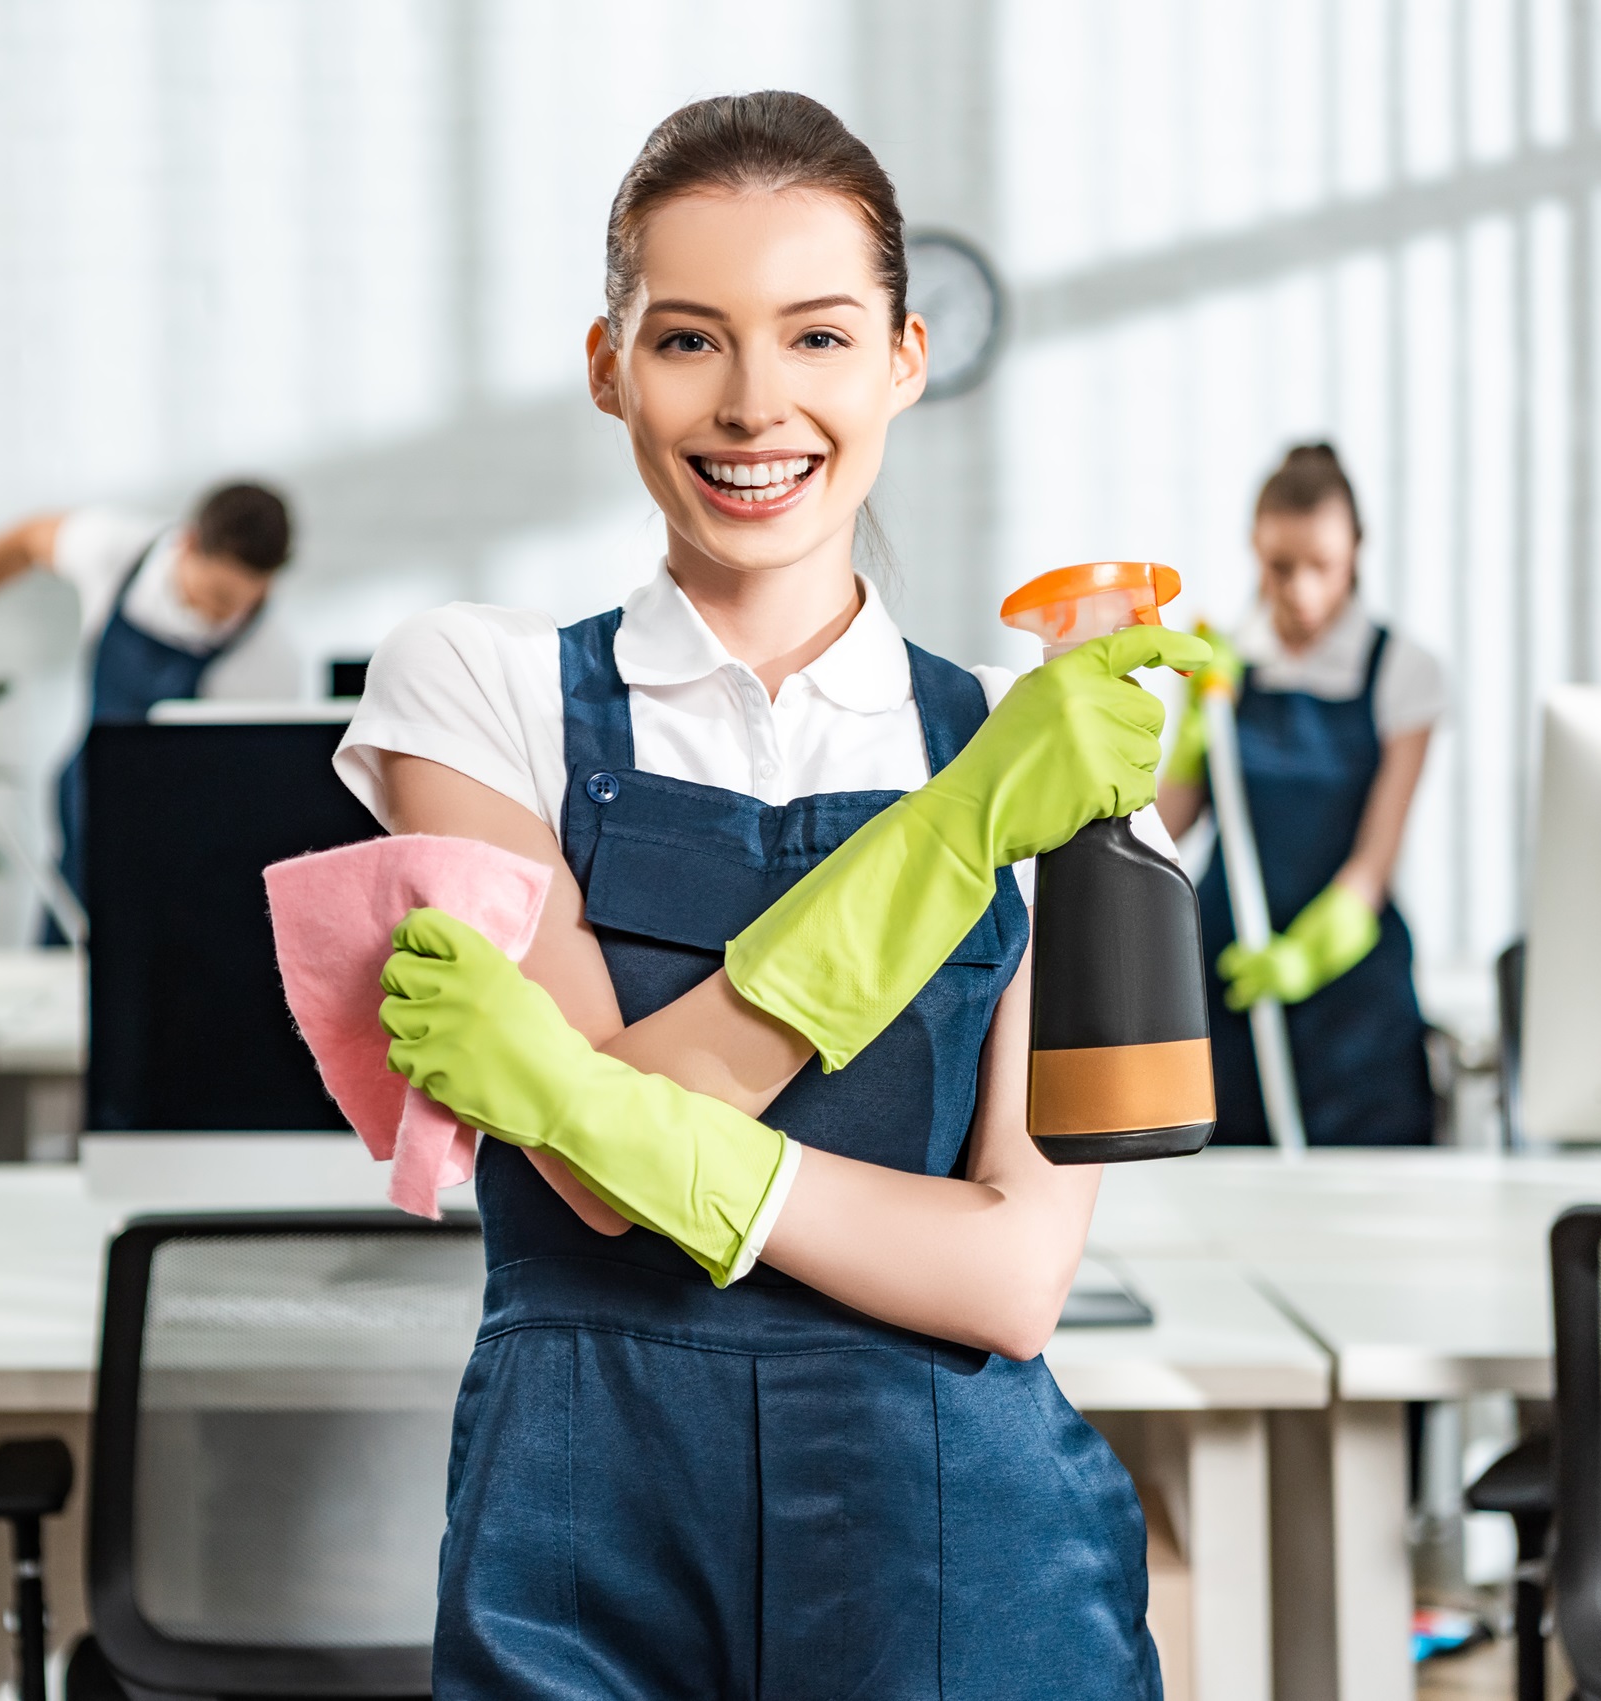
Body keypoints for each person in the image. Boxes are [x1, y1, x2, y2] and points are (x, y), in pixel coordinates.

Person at [335, 93, 1206, 1695]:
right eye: (687, 341)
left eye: (815, 339)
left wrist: (597, 1102)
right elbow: (592, 1196)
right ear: (608, 367)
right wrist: (943, 844)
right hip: (580, 1541)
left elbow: (1009, 1277)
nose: (753, 407)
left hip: (955, 1545)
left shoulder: (1033, 748)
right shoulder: (478, 689)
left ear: (901, 359)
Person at [1157, 446, 1445, 1146]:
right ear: (1255, 550)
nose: (1303, 592)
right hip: (1225, 973)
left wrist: (1307, 955)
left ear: (1357, 552)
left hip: (1349, 990)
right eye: (1281, 567)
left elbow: (1376, 859)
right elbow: (1166, 828)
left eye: (1324, 566)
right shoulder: (1223, 663)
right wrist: (1193, 728)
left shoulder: (1400, 669)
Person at [0, 482, 295, 927]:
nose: (228, 614)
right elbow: (27, 542)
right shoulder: (115, 550)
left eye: (247, 600)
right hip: (86, 805)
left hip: (182, 846)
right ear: (189, 543)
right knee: (64, 957)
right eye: (219, 596)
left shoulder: (270, 660)